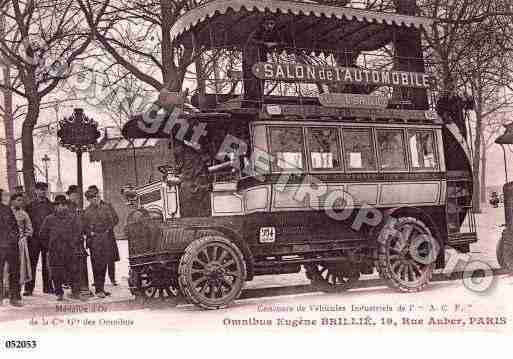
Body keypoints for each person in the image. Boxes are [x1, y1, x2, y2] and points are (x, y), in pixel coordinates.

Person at [38, 195, 82, 301]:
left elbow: (79, 232)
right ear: (55, 207)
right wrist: (49, 246)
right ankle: (59, 293)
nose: (61, 207)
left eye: (63, 205)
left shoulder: (73, 217)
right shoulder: (49, 219)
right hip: (55, 250)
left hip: (70, 249)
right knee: (56, 272)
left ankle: (75, 292)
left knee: (73, 270)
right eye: (58, 205)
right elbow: (42, 234)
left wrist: (73, 242)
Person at [82, 187, 119, 298]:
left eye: (96, 197)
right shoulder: (87, 212)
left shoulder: (106, 208)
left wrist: (108, 228)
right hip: (94, 241)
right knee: (96, 264)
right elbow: (84, 227)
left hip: (106, 238)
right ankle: (98, 289)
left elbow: (114, 220)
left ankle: (101, 288)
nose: (95, 199)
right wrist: (90, 233)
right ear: (89, 200)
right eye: (92, 198)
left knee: (104, 264)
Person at [25, 182, 54, 295]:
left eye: (44, 189)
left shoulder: (51, 206)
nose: (42, 192)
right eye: (40, 189)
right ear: (35, 191)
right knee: (32, 263)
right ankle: (29, 288)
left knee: (47, 263)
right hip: (34, 239)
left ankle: (48, 287)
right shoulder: (30, 206)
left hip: (47, 239)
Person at [66, 185, 92, 299]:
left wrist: (88, 232)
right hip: (70, 242)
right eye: (73, 194)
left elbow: (84, 223)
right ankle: (75, 289)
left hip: (79, 241)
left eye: (77, 194)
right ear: (69, 195)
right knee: (73, 266)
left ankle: (84, 287)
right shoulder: (67, 208)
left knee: (82, 264)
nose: (76, 197)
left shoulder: (79, 209)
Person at [0, 194, 23, 307]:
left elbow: (15, 227)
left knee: (15, 271)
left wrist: (14, 237)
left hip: (11, 246)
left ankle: (14, 297)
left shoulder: (6, 209)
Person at [10, 193, 33, 287]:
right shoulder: (6, 212)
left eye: (21, 200)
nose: (20, 202)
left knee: (19, 265)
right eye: (18, 200)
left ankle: (17, 288)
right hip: (7, 243)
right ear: (13, 201)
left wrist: (24, 237)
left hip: (20, 243)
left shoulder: (24, 214)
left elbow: (29, 229)